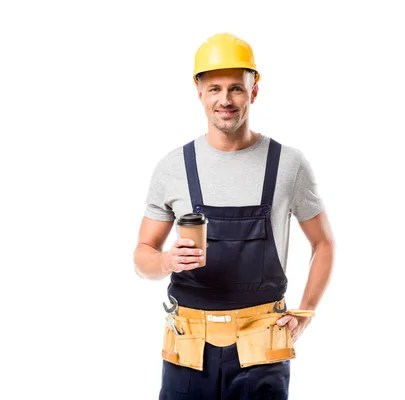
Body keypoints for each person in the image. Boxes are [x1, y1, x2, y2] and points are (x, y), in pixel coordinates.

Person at [133, 32, 335, 399]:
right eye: (214, 89)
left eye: (236, 89)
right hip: (188, 348)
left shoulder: (288, 164)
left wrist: (306, 311)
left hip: (262, 345)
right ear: (199, 93)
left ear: (253, 91)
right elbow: (142, 256)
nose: (225, 100)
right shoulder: (174, 166)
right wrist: (165, 259)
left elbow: (323, 242)